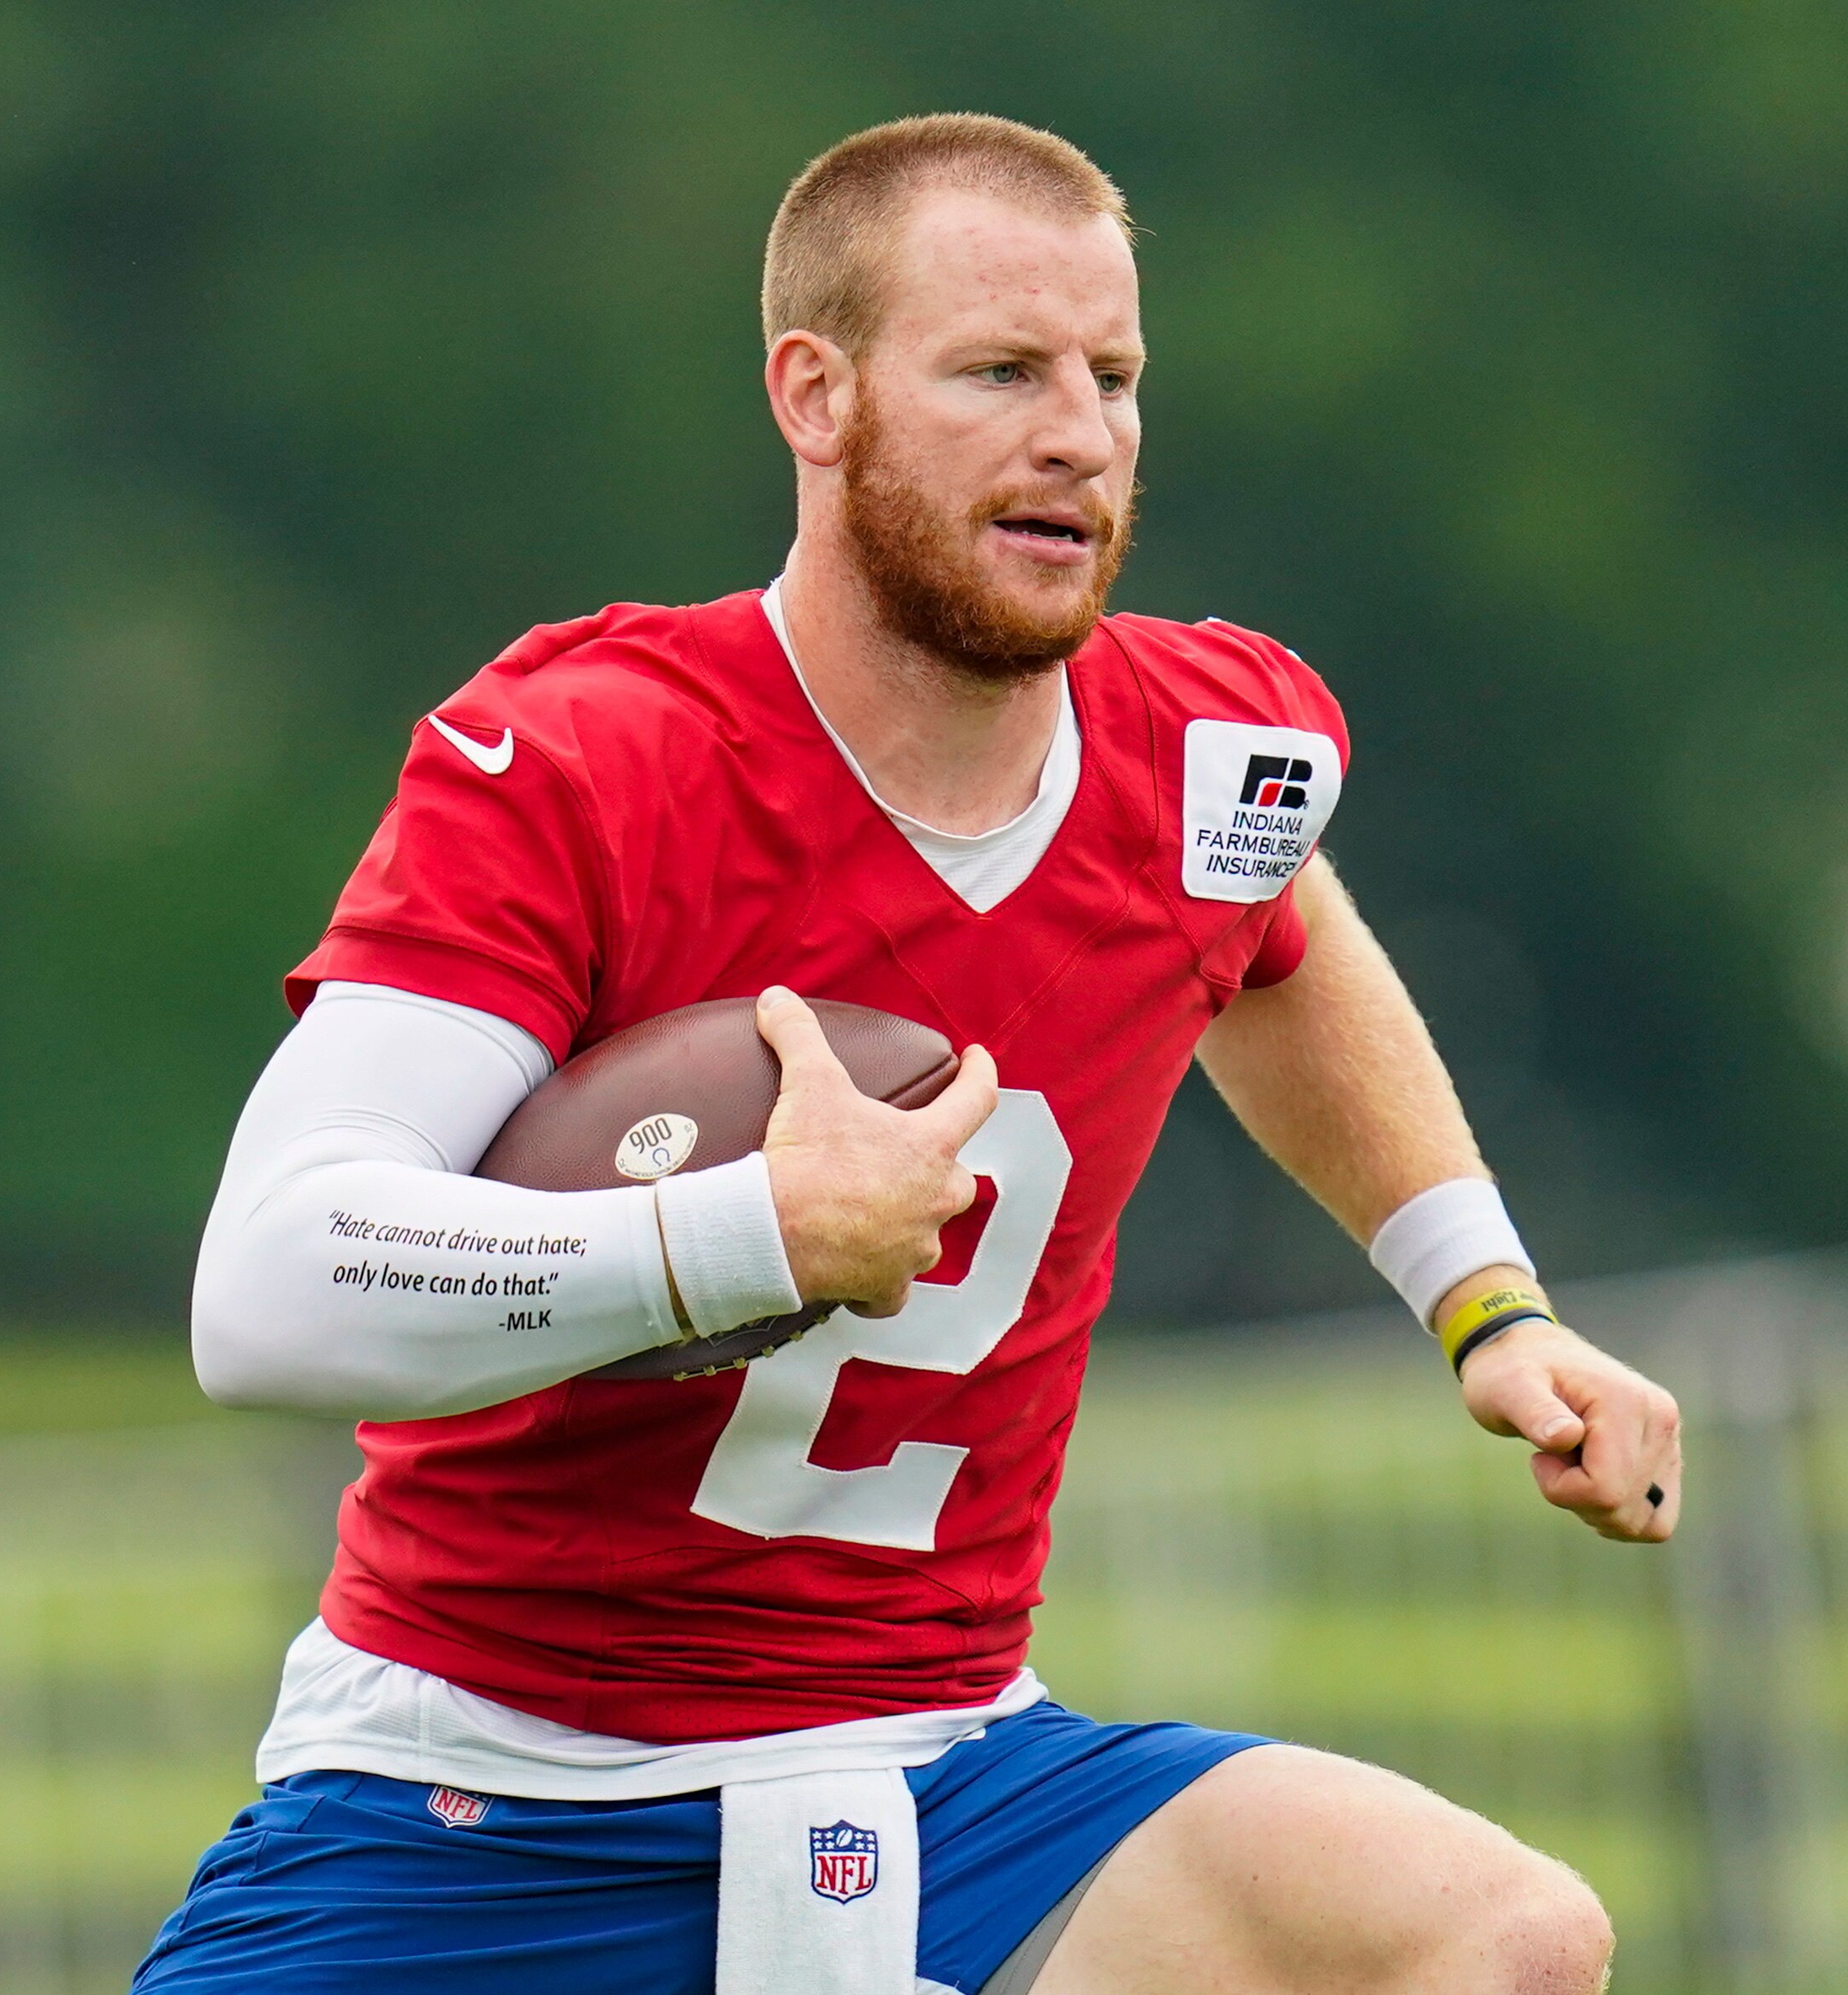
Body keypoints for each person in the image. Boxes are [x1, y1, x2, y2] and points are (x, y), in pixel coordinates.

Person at [137, 113, 1680, 1995]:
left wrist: (1485, 1301)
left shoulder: (1211, 756)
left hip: (940, 1775)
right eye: (1000, 372)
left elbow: (1274, 942)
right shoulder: (588, 752)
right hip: (489, 1798)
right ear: (818, 393)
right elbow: (268, 1284)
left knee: (1499, 1937)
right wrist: (741, 1235)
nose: (1081, 434)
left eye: (1112, 376)